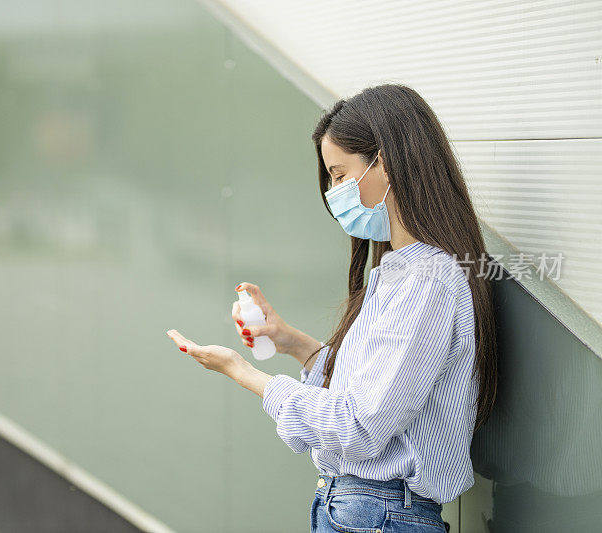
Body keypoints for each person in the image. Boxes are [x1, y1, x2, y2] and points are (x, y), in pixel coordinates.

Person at [166, 83, 498, 532]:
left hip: (379, 514)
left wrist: (243, 373)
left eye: (341, 175)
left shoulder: (428, 281)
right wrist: (293, 343)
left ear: (388, 162)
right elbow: (373, 390)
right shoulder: (402, 272)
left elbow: (360, 427)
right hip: (362, 510)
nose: (335, 192)